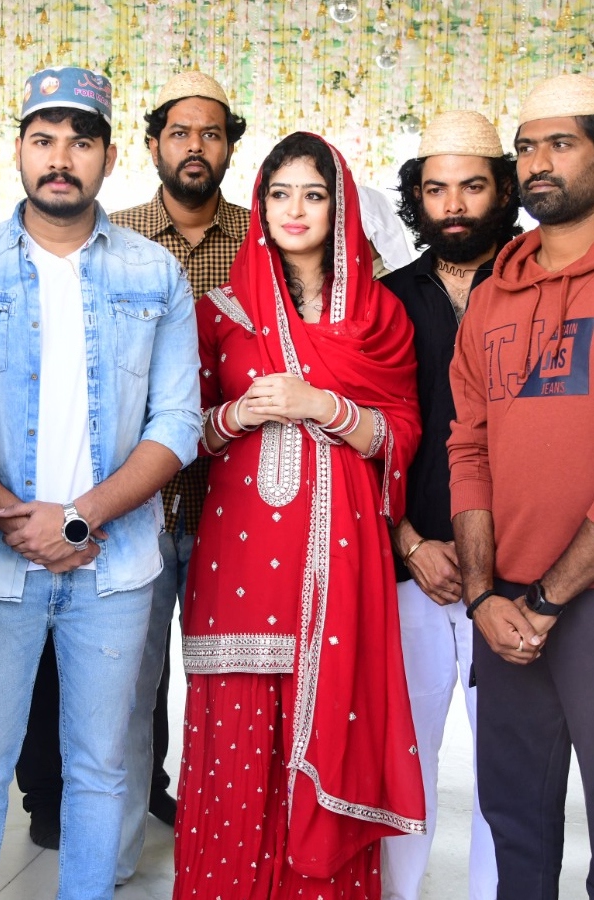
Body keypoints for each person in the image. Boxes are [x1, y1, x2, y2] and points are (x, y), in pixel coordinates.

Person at [0, 66, 200, 900]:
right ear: (17, 151)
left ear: (110, 158)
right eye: (43, 139)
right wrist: (18, 520)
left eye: (80, 140)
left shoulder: (155, 275)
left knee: (101, 770)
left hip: (111, 572)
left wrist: (75, 521)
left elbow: (177, 425)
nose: (60, 157)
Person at [176, 132, 426, 898]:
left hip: (340, 562)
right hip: (239, 558)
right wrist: (236, 416)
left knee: (329, 730)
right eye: (279, 193)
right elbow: (181, 429)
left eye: (312, 194)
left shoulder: (381, 315)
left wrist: (328, 406)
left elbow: (403, 430)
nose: (295, 209)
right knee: (238, 743)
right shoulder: (220, 311)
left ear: (339, 206)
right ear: (260, 207)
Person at [449, 73, 594, 900]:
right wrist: (483, 596)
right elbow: (468, 450)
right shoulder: (492, 296)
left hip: (578, 600)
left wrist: (546, 600)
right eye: (528, 146)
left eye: (561, 142)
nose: (539, 162)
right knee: (515, 825)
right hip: (505, 604)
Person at [106, 70, 248, 882]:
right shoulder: (115, 236)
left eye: (212, 133)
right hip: (136, 507)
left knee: (227, 693)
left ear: (230, 144)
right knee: (125, 692)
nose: (196, 146)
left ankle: (218, 848)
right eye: (180, 132)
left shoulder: (263, 239)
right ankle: (117, 854)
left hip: (237, 509)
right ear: (155, 142)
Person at [381, 110, 522, 900]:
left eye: (473, 186)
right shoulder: (385, 302)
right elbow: (364, 440)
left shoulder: (541, 290)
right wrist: (407, 540)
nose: (456, 205)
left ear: (504, 189)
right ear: (418, 201)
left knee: (509, 770)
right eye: (437, 190)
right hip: (414, 569)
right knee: (404, 761)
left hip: (518, 574)